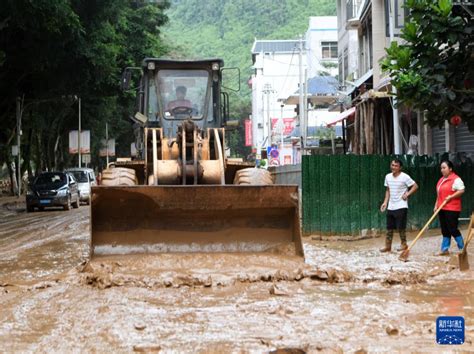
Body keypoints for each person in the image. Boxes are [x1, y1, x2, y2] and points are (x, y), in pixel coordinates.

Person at [380, 159, 419, 252]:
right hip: (391, 206)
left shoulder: (405, 177)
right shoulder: (388, 177)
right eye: (392, 165)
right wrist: (385, 202)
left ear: (400, 167)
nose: (393, 167)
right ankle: (387, 246)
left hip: (401, 205)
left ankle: (404, 244)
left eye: (396, 166)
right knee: (389, 227)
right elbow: (388, 190)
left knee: (401, 227)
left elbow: (415, 186)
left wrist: (407, 194)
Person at [434, 160, 465, 256]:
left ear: (450, 169)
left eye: (444, 168)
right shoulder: (441, 180)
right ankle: (444, 249)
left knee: (452, 228)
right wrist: (436, 205)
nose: (442, 170)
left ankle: (462, 248)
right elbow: (439, 195)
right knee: (445, 229)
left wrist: (451, 197)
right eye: (441, 168)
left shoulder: (456, 179)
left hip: (452, 208)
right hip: (441, 208)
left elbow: (461, 190)